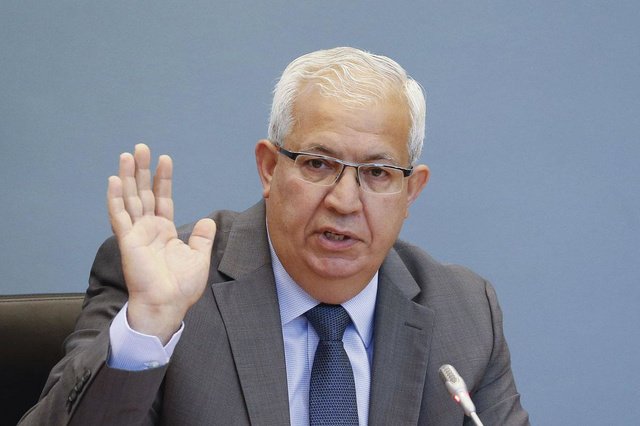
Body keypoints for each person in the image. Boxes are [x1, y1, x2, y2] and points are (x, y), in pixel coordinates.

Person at [20, 47, 529, 425]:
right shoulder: (168, 286)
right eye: (318, 163)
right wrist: (148, 327)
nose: (344, 200)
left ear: (410, 190)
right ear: (268, 168)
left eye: (377, 173)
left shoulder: (465, 313)